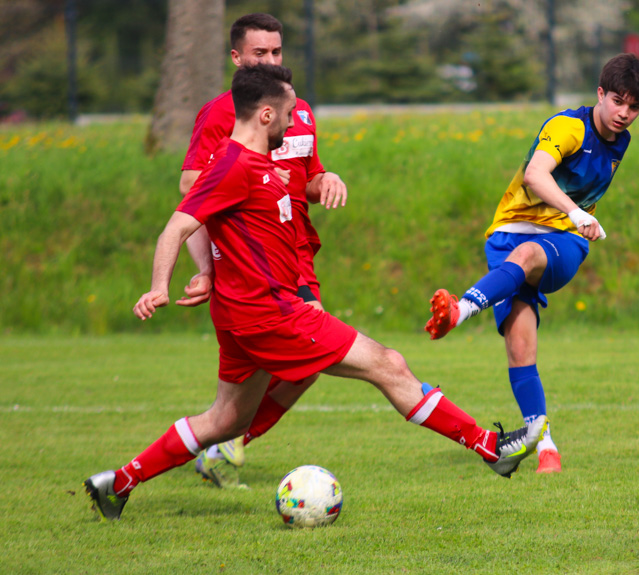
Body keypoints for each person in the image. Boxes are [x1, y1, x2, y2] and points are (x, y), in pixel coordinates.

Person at [83, 64, 546, 521]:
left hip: (246, 312)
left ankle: (117, 482)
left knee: (227, 421)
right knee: (388, 364)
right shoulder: (234, 165)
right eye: (287, 114)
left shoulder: (260, 165)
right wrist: (158, 287)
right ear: (265, 115)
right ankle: (489, 447)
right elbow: (177, 226)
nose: (293, 121)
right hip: (272, 312)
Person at [424, 54, 639, 474]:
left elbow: (565, 198)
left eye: (635, 107)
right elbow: (536, 175)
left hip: (563, 241)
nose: (626, 114)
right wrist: (577, 210)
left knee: (530, 256)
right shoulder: (568, 126)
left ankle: (459, 311)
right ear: (600, 95)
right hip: (509, 235)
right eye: (619, 101)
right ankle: (542, 442)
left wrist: (576, 219)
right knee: (520, 346)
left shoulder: (620, 140)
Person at [177, 13, 346, 486]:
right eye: (259, 54)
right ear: (236, 58)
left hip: (297, 255)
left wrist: (325, 179)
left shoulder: (299, 110)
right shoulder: (219, 114)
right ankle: (221, 442)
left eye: (276, 52)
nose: (270, 60)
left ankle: (226, 443)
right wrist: (208, 266)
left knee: (305, 368)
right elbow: (192, 190)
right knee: (306, 361)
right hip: (252, 264)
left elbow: (308, 178)